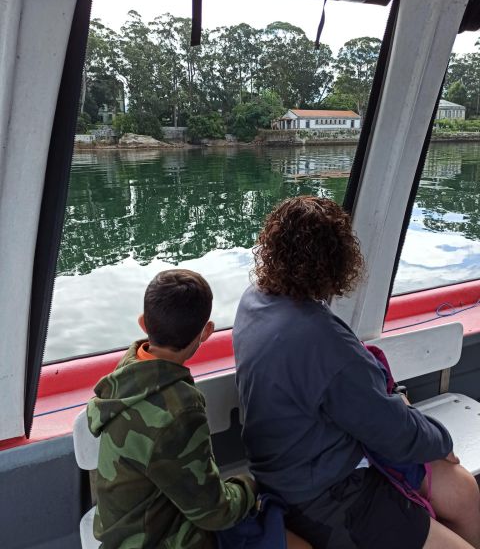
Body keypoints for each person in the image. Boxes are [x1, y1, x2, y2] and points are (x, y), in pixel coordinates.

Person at [233, 196, 480, 549]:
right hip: (326, 495)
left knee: (463, 491)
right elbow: (394, 431)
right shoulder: (324, 342)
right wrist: (442, 440)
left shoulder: (254, 300)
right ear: (337, 262)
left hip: (299, 468)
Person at [87, 268, 310, 549]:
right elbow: (215, 514)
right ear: (206, 332)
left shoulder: (128, 373)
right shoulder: (179, 409)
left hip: (125, 533)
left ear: (144, 324)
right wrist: (250, 486)